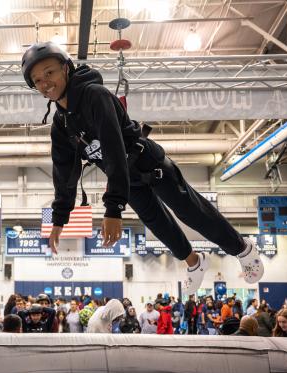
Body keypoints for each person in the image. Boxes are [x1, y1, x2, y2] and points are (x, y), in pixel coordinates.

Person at [21, 42, 265, 296]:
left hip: (149, 163)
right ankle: (195, 263)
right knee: (157, 224)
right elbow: (64, 174)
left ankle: (243, 249)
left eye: (49, 73)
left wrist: (113, 208)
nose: (45, 83)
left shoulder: (95, 95)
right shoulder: (61, 125)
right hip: (127, 179)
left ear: (65, 68)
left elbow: (114, 148)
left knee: (190, 212)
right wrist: (59, 219)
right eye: (37, 80)